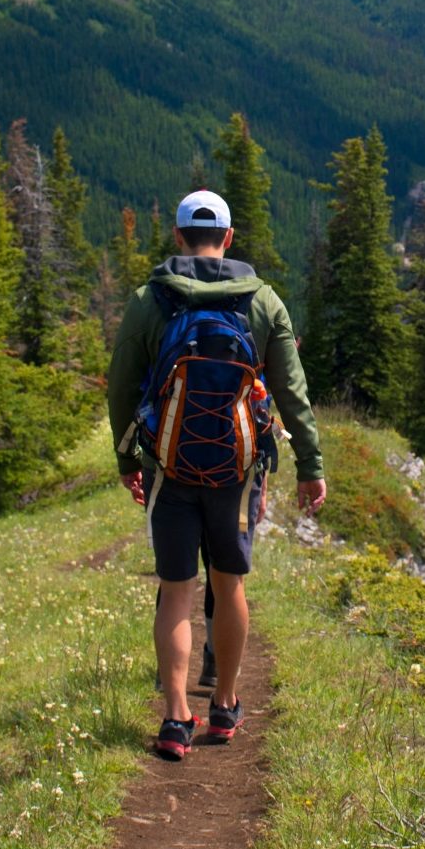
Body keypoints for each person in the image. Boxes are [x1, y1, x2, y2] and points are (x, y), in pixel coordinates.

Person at [108, 189, 326, 761]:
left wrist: (127, 459)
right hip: (236, 474)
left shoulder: (148, 301)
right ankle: (226, 704)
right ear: (228, 238)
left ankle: (176, 718)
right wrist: (310, 465)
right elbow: (292, 394)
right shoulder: (263, 302)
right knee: (228, 584)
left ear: (178, 237)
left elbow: (121, 388)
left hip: (169, 467)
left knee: (176, 592)